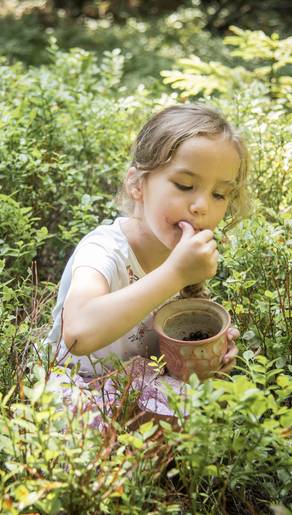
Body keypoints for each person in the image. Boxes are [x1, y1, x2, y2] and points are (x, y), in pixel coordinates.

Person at [43, 104, 251, 426]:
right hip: (75, 388)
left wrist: (206, 355)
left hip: (136, 388)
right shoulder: (103, 251)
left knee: (218, 407)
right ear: (137, 184)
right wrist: (175, 274)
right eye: (184, 185)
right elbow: (78, 334)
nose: (201, 206)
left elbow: (159, 356)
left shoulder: (183, 260)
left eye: (220, 194)